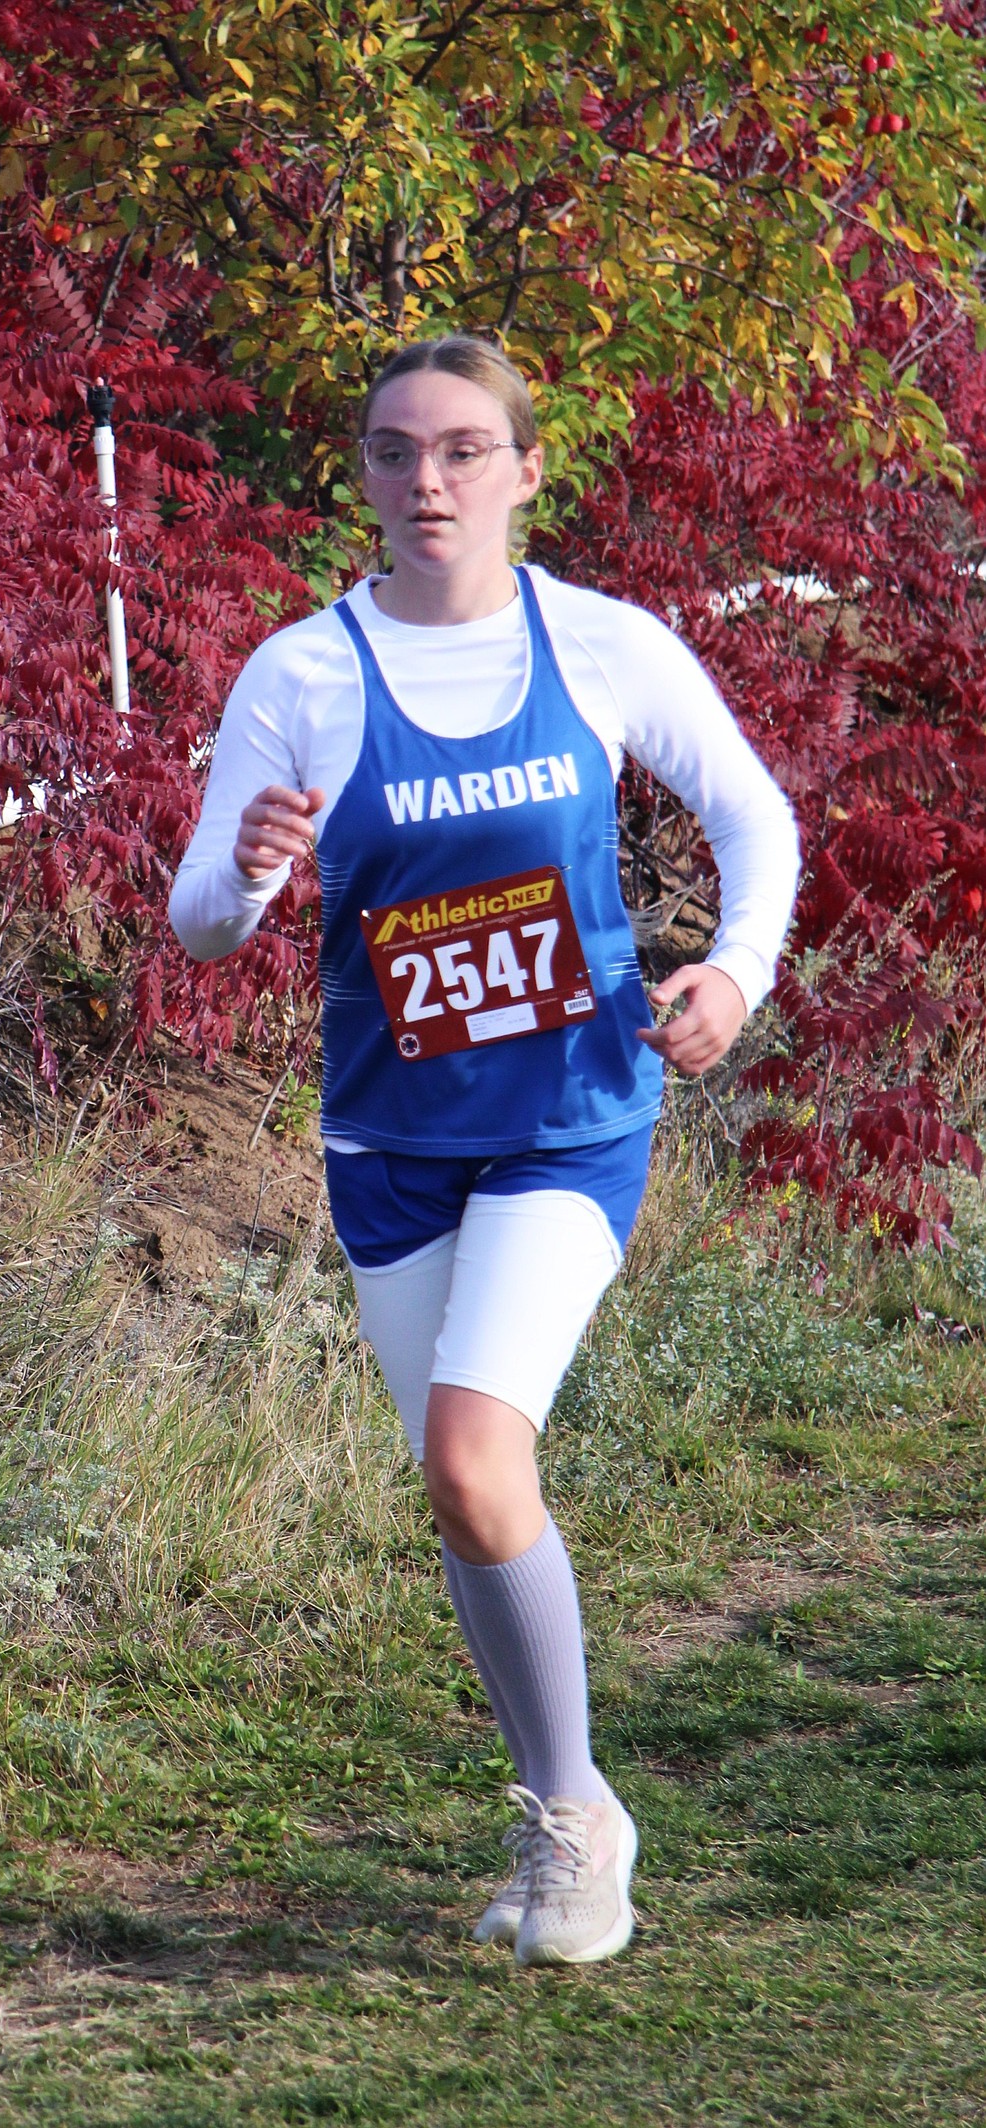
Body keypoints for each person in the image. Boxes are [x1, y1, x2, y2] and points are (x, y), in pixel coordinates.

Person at [169, 335, 799, 1967]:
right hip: (387, 1140)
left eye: (461, 449)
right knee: (471, 1496)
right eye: (393, 452)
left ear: (524, 469)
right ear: (363, 479)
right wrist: (246, 871)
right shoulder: (299, 675)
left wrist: (731, 971)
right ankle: (561, 1808)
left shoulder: (596, 646)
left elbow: (755, 818)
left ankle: (579, 1821)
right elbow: (198, 927)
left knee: (466, 1455)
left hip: (570, 1120)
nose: (426, 480)